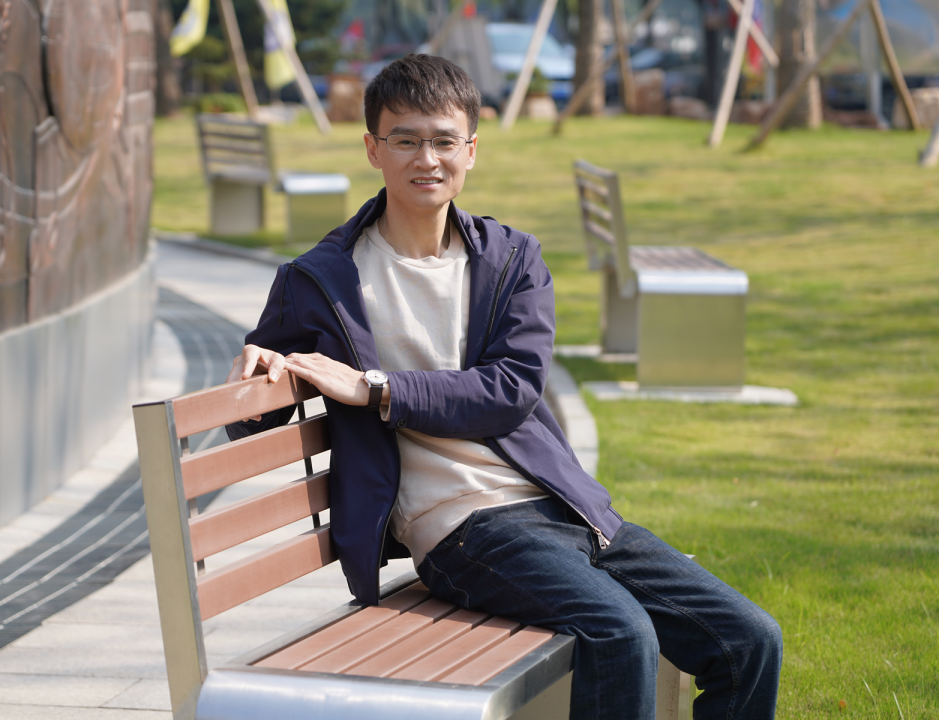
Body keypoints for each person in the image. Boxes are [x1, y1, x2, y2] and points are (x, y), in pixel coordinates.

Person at [225, 54, 781, 720]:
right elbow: (252, 420)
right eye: (405, 139)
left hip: (564, 506)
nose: (426, 159)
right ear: (373, 149)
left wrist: (376, 388)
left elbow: (510, 391)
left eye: (444, 141)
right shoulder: (320, 281)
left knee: (750, 640)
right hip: (460, 528)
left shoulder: (512, 260)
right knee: (620, 633)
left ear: (471, 150)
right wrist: (253, 380)